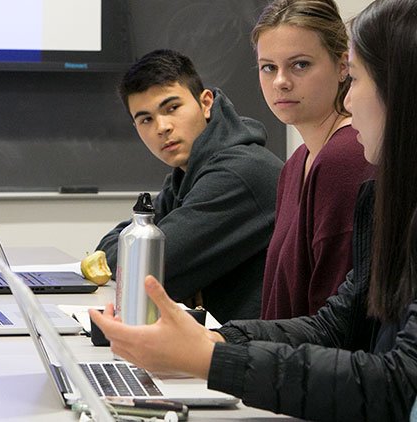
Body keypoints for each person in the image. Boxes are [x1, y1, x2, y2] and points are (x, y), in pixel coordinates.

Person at [90, 0, 417, 421]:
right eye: (267, 67)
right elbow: (336, 324)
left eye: (356, 79)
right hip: (293, 383)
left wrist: (209, 356)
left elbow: (390, 380)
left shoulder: (333, 162)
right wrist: (213, 343)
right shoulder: (293, 164)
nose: (350, 99)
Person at [95, 49, 282, 323]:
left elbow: (148, 274)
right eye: (146, 119)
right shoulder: (185, 176)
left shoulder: (238, 173)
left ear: (205, 103)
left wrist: (135, 259)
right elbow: (113, 249)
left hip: (255, 344)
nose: (162, 127)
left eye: (172, 108)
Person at [253, 0, 375, 320]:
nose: (281, 82)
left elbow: (336, 321)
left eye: (300, 65)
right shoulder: (296, 163)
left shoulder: (346, 156)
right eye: (268, 68)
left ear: (342, 66)